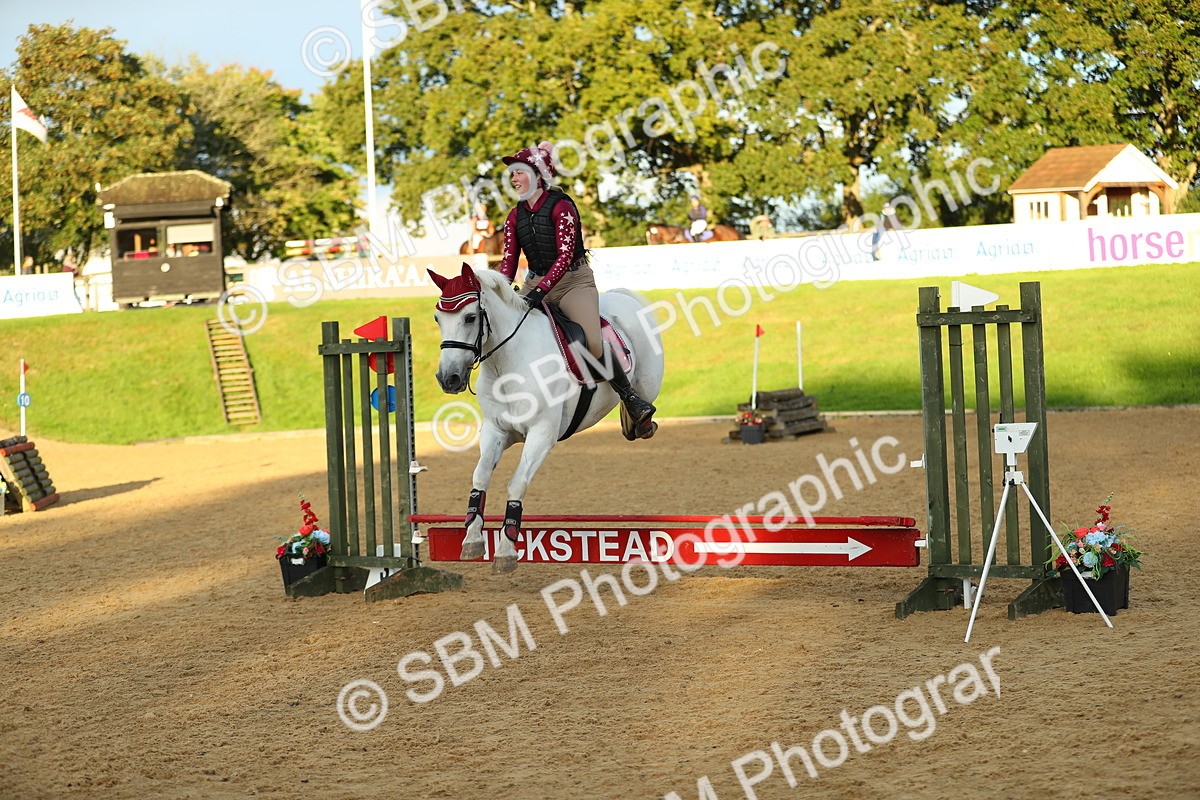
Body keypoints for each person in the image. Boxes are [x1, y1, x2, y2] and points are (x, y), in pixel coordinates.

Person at [497, 141, 655, 435]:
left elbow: (564, 257)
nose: (514, 179)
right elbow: (508, 262)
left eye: (519, 172)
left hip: (573, 282)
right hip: (535, 282)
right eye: (513, 174)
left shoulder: (563, 208)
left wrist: (539, 292)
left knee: (592, 342)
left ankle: (631, 399)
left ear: (538, 175)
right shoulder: (514, 216)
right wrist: (499, 292)